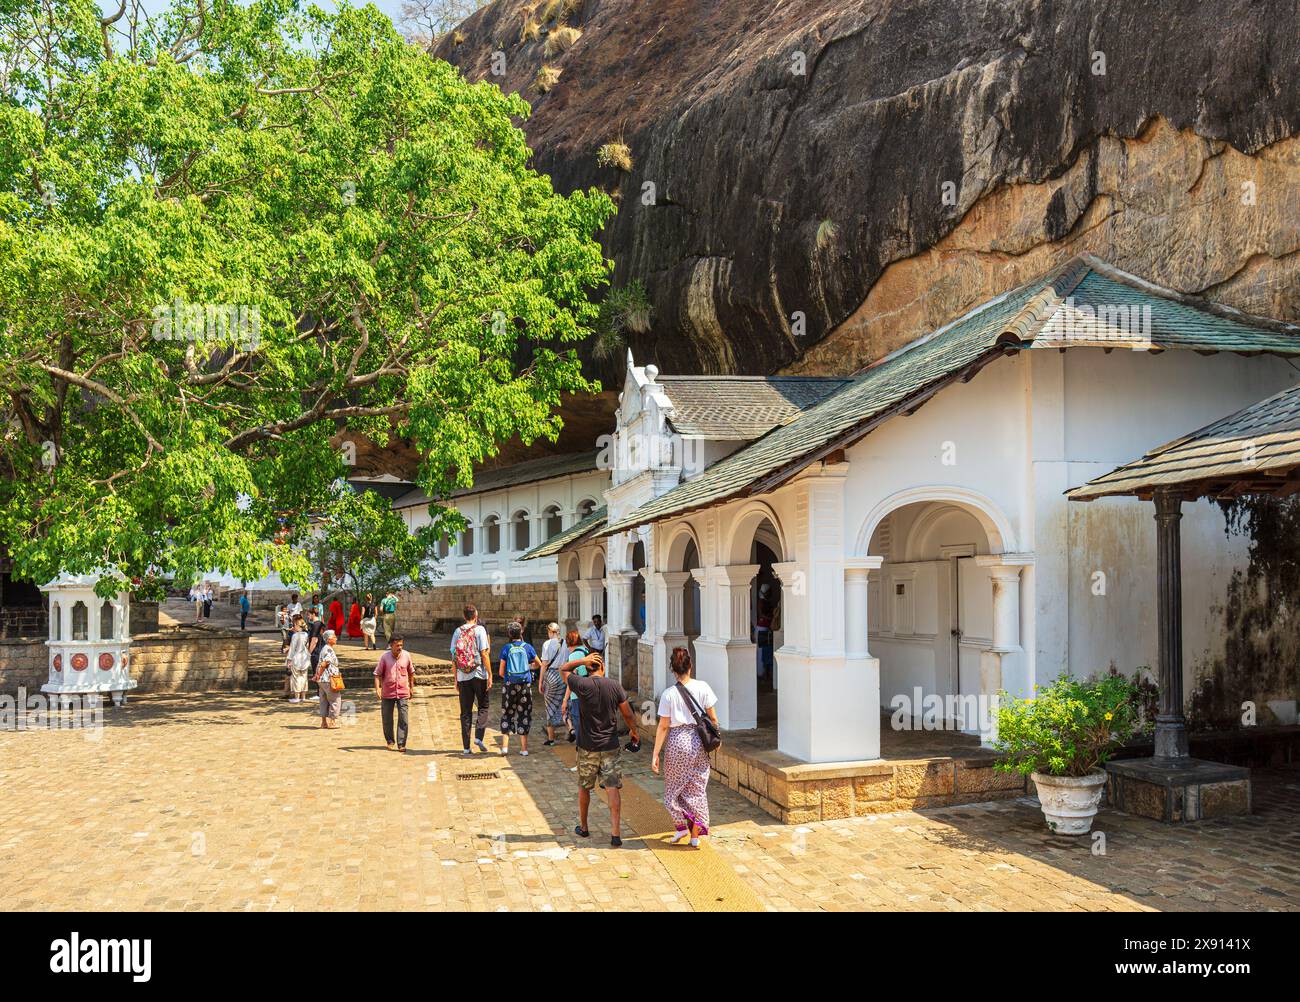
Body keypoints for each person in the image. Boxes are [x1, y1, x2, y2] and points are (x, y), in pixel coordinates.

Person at [559, 650, 638, 847]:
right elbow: (627, 713)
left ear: (587, 668)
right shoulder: (614, 686)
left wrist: (582, 660)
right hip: (610, 745)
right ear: (603, 667)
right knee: (612, 787)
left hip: (587, 746)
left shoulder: (582, 684)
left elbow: (563, 669)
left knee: (585, 787)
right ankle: (616, 833)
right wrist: (634, 731)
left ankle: (584, 827)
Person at [652, 647, 720, 848]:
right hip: (699, 742)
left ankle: (681, 826)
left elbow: (664, 726)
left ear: (672, 669)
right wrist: (717, 739)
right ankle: (694, 836)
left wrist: (655, 753)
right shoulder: (703, 687)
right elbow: (713, 719)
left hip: (677, 742)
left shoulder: (668, 694)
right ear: (690, 665)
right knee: (696, 789)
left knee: (674, 789)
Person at [451, 604, 491, 755]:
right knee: (483, 706)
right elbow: (484, 654)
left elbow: (453, 657)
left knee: (465, 712)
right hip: (479, 674)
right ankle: (479, 736)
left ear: (463, 616)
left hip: (463, 676)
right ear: (475, 615)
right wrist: (490, 674)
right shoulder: (480, 630)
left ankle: (466, 747)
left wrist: (455, 678)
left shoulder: (457, 631)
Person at [498, 621, 542, 756]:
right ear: (521, 633)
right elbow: (538, 664)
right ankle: (524, 749)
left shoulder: (506, 648)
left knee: (507, 713)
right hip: (525, 685)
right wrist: (527, 668)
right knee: (524, 713)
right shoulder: (527, 647)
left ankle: (505, 747)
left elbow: (500, 672)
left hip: (509, 684)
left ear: (509, 634)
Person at [373, 634, 415, 751]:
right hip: (387, 692)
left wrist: (411, 688)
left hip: (403, 692)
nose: (399, 647)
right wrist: (378, 689)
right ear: (391, 645)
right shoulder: (385, 658)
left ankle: (401, 744)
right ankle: (390, 741)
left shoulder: (407, 655)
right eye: (397, 645)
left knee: (404, 718)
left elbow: (411, 672)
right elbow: (377, 674)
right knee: (387, 718)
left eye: (401, 645)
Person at [537, 622, 568, 746]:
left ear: (550, 631)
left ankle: (551, 739)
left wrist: (540, 681)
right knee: (564, 703)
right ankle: (569, 730)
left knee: (550, 706)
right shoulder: (565, 643)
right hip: (564, 675)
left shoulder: (547, 644)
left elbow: (544, 664)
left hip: (551, 676)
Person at [561, 629, 590, 744]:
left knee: (579, 723)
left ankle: (581, 748)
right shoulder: (586, 650)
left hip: (578, 695)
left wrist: (565, 700)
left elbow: (571, 681)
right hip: (590, 692)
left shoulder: (574, 656)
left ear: (568, 642)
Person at [314, 629, 342, 728]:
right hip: (328, 678)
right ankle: (332, 722)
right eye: (334, 637)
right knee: (335, 699)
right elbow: (324, 663)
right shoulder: (328, 649)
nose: (336, 638)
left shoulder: (324, 648)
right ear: (329, 639)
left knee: (323, 700)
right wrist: (318, 674)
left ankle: (324, 722)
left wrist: (317, 675)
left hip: (322, 680)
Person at [284, 614, 310, 703]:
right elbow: (308, 646)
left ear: (296, 625)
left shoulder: (295, 636)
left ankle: (297, 697)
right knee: (304, 677)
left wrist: (289, 660)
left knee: (296, 678)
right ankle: (303, 696)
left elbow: (292, 649)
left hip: (297, 658)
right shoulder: (306, 635)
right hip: (305, 658)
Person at [305, 606, 326, 678]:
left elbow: (314, 640)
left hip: (316, 651)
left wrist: (309, 652)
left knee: (316, 673)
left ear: (313, 614)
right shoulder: (320, 623)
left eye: (308, 614)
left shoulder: (316, 624)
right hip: (321, 650)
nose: (307, 617)